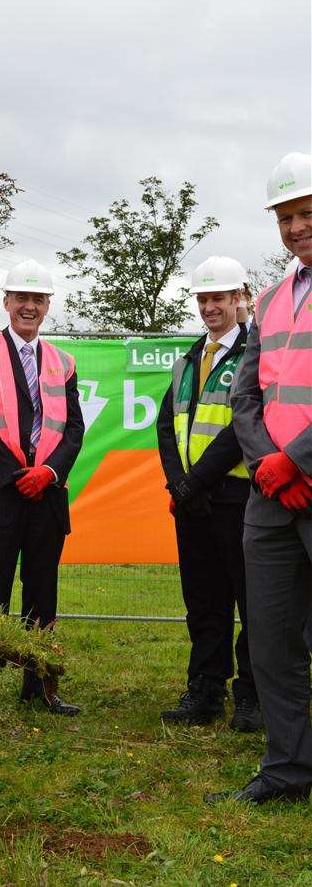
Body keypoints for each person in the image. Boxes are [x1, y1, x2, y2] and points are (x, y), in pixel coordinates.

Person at [208, 152, 312, 805]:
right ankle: (287, 768)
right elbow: (243, 398)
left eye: (305, 213)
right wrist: (271, 466)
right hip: (271, 498)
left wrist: (296, 459)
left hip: (294, 475)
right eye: (286, 217)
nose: (296, 227)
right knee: (271, 641)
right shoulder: (270, 300)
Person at [0, 259, 84, 717]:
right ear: (6, 302)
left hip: (47, 495)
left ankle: (39, 687)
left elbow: (73, 429)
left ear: (47, 306)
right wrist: (16, 475)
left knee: (42, 593)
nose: (29, 306)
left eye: (38, 299)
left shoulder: (63, 361)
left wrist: (47, 473)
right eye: (21, 298)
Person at [157, 256, 261, 732]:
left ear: (240, 298)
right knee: (203, 601)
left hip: (237, 496)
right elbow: (166, 425)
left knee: (251, 601)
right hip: (192, 502)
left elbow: (244, 423)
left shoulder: (253, 353)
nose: (210, 307)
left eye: (219, 297)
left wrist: (195, 481)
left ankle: (252, 696)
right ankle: (205, 690)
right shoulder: (188, 359)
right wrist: (180, 482)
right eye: (203, 298)